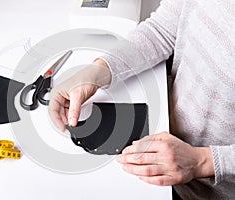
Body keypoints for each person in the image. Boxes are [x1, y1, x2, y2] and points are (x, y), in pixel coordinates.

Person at [48, 0, 235, 199]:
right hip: (164, 147)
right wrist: (101, 69)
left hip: (213, 191)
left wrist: (205, 161)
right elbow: (163, 28)